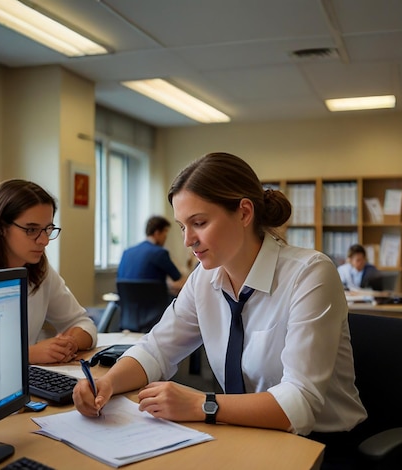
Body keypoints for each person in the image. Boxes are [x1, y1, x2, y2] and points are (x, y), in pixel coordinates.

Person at [74, 152, 367, 466]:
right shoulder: (205, 278)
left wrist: (202, 404)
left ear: (243, 212)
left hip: (321, 447)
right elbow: (156, 349)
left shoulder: (310, 274)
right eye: (182, 227)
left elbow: (300, 404)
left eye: (199, 223)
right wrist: (108, 383)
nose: (188, 240)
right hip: (243, 433)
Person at [0, 179, 97, 365]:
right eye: (31, 230)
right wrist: (28, 354)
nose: (44, 241)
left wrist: (69, 343)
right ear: (1, 228)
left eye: (48, 229)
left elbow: (83, 323)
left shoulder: (40, 272)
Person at [117, 215, 186, 294]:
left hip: (127, 305)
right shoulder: (160, 253)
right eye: (165, 232)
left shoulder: (127, 252)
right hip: (157, 304)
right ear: (157, 233)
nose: (165, 237)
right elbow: (179, 280)